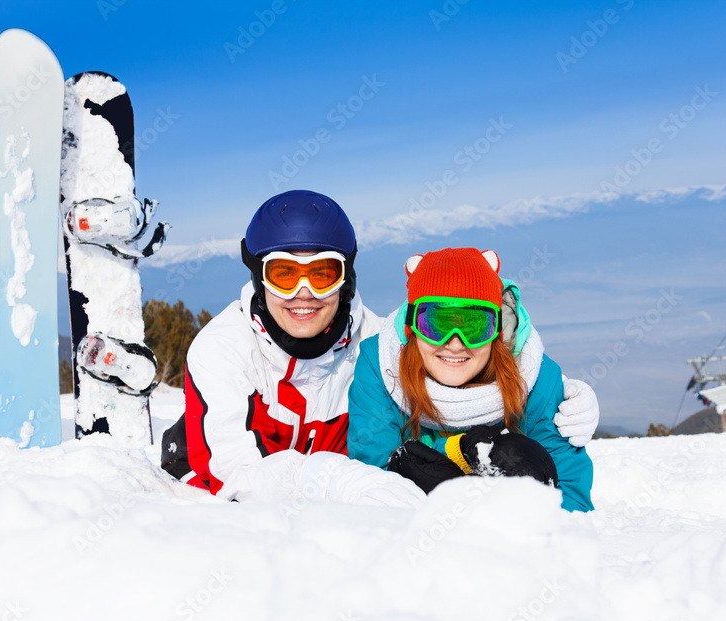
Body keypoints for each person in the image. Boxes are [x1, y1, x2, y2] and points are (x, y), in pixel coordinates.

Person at [160, 192, 598, 508]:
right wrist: (337, 479)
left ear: (346, 277)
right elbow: (232, 473)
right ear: (259, 277)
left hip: (336, 500)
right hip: (248, 499)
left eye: (324, 273)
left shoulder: (376, 343)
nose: (305, 294)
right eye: (284, 274)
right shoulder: (223, 349)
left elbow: (444, 326)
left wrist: (549, 388)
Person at [346, 247, 595, 511]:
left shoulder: (535, 379)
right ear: (413, 328)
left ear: (496, 330)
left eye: (474, 326)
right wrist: (456, 454)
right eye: (436, 324)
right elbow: (373, 486)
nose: (455, 344)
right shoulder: (383, 368)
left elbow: (572, 500)